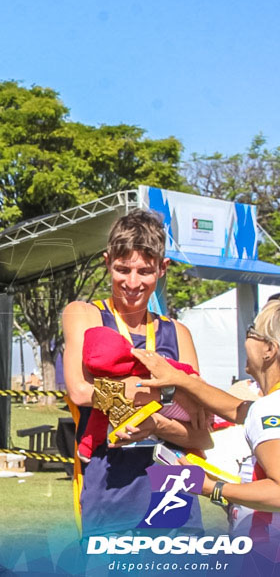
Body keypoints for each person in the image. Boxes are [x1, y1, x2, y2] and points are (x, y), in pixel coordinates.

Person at [62, 209, 211, 535]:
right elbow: (80, 392)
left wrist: (154, 422)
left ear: (162, 268)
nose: (132, 282)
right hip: (110, 495)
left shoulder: (178, 333)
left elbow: (200, 433)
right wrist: (165, 393)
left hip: (176, 496)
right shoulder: (85, 314)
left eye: (144, 271)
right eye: (122, 269)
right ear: (107, 262)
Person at [132, 299, 280, 545]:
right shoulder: (266, 406)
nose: (245, 341)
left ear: (269, 350)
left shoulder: (268, 408)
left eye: (250, 332)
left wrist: (209, 487)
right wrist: (182, 380)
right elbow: (238, 410)